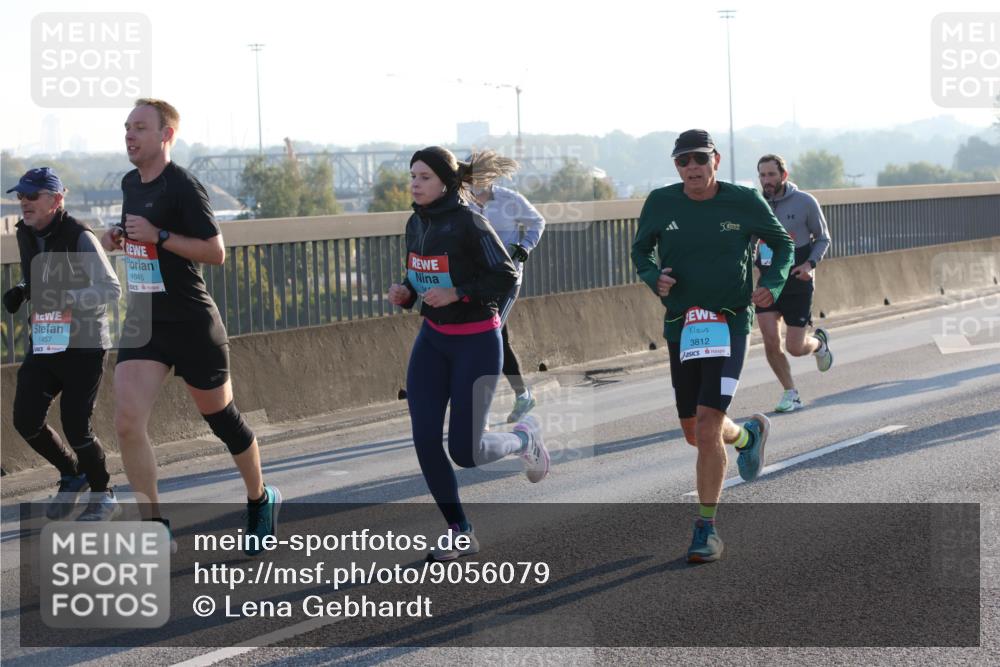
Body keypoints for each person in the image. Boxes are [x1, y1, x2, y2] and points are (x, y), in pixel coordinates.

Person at [100, 99, 279, 554]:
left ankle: (260, 498)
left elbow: (215, 252)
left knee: (222, 419)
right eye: (126, 127)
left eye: (139, 127)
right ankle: (153, 526)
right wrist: (119, 239)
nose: (129, 135)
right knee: (126, 422)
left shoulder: (183, 186)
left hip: (191, 321)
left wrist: (158, 236)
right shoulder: (128, 183)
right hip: (145, 321)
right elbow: (140, 240)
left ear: (166, 136)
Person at [631, 130, 794, 563]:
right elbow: (641, 249)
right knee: (693, 432)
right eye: (684, 161)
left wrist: (772, 284)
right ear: (676, 167)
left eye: (700, 159)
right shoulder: (661, 203)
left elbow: (782, 244)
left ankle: (707, 528)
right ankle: (746, 435)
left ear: (715, 160)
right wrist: (653, 278)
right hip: (682, 327)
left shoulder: (743, 201)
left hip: (729, 322)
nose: (692, 168)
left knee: (706, 429)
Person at [388, 147, 549, 562]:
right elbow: (419, 273)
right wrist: (406, 292)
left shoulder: (470, 222)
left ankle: (523, 439)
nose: (414, 184)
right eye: (412, 176)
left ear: (444, 181)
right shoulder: (415, 222)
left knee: (466, 451)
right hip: (433, 340)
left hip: (476, 343)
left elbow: (505, 275)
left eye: (423, 177)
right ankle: (460, 531)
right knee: (424, 437)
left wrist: (459, 292)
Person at [4, 167, 121, 521]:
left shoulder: (80, 237)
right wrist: (25, 290)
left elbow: (111, 289)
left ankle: (103, 493)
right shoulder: (26, 233)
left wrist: (69, 297)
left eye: (32, 196)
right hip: (46, 339)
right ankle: (72, 474)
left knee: (76, 425)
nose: (23, 202)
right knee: (26, 419)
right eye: (20, 196)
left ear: (56, 200)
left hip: (84, 344)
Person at [755, 154, 834, 412]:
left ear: (783, 176)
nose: (766, 181)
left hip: (797, 279)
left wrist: (809, 265)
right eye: (762, 175)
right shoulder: (755, 204)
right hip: (768, 281)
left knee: (795, 347)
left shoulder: (805, 202)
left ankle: (819, 344)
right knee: (769, 339)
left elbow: (823, 238)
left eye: (771, 175)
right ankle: (791, 392)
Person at [469, 177, 546, 423]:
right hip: (478, 281)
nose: (473, 181)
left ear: (490, 177)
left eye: (479, 176)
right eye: (469, 176)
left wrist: (525, 246)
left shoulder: (509, 199)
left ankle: (478, 408)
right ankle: (523, 395)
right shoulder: (463, 200)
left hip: (507, 279)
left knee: (488, 337)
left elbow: (537, 221)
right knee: (498, 337)